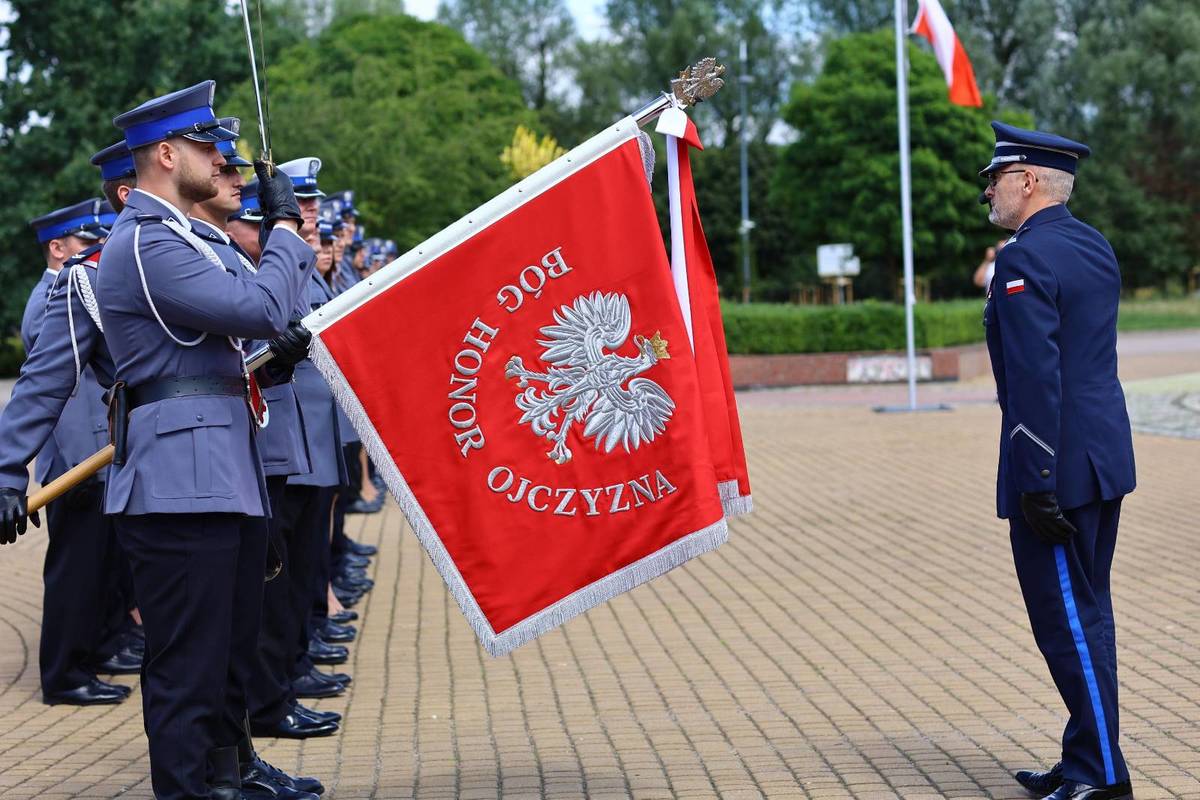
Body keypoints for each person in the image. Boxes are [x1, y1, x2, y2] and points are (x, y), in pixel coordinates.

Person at [95, 80, 314, 800]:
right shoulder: (148, 242)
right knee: (188, 668)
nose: (222, 159)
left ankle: (229, 778)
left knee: (225, 656)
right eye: (205, 146)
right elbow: (257, 306)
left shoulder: (189, 239)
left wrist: (265, 362)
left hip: (221, 470)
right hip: (176, 483)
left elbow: (212, 351)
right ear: (165, 154)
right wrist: (284, 232)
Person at [980, 121, 1136, 800]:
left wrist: (1035, 481)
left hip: (1056, 473)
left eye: (995, 179)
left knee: (1067, 625)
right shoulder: (1092, 244)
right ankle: (1083, 756)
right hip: (1102, 460)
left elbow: (1037, 378)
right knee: (1086, 614)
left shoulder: (1023, 259)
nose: (987, 191)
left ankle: (1102, 776)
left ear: (1027, 181)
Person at [3, 199, 129, 706]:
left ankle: (93, 654)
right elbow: (56, 388)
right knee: (75, 573)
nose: (96, 248)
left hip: (95, 453)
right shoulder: (52, 295)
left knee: (99, 569)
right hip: (75, 460)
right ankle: (64, 674)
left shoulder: (74, 286)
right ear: (57, 248)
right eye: (85, 240)